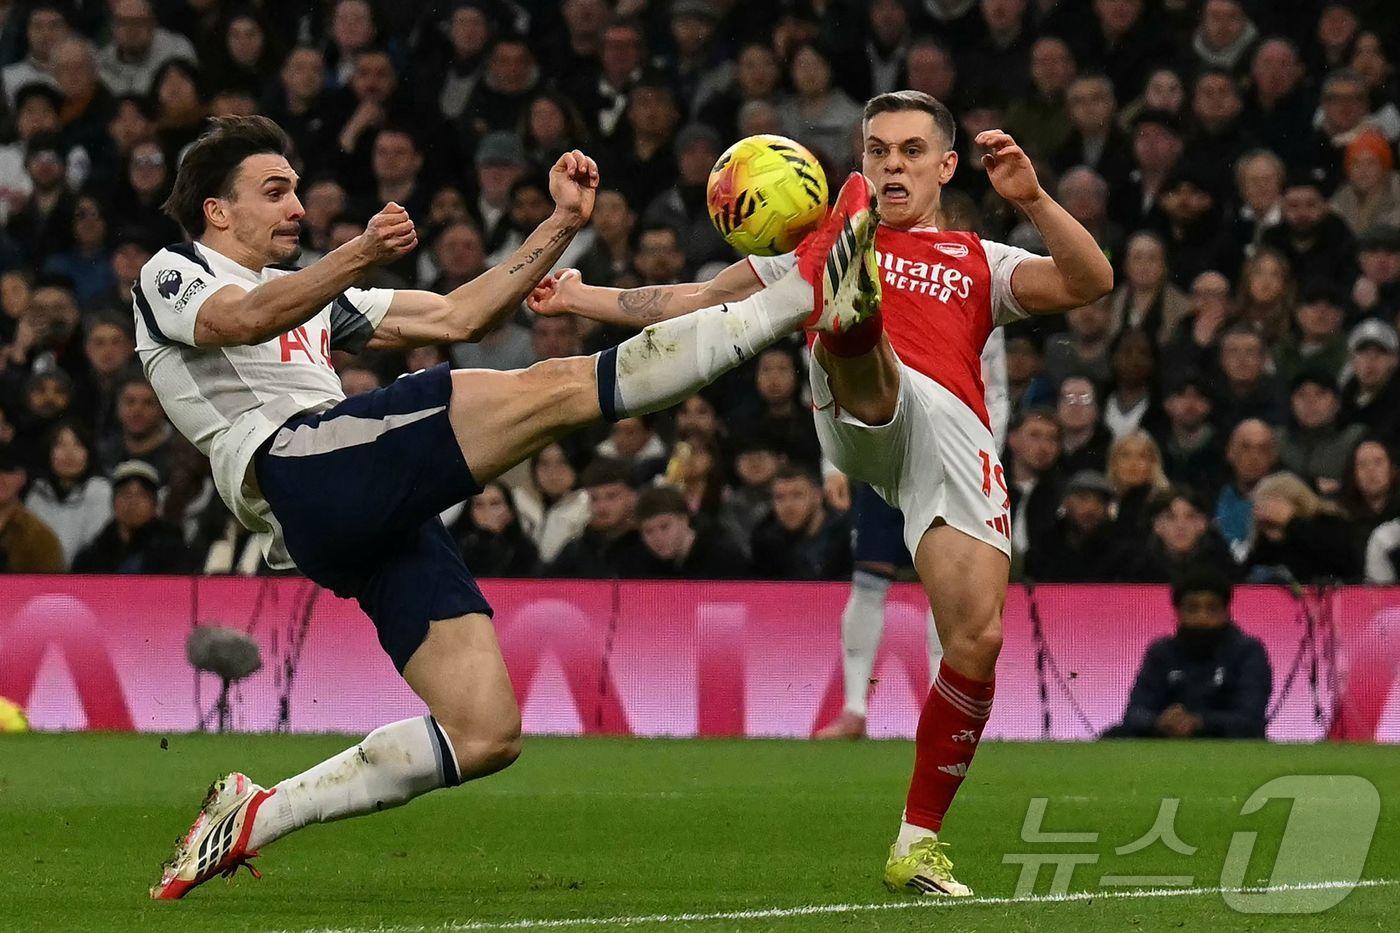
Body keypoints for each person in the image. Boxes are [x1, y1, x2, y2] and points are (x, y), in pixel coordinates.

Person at [143, 115, 879, 898]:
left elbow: (464, 316)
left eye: (295, 189)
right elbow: (241, 320)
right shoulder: (173, 270)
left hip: (347, 512)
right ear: (218, 211)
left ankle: (253, 814)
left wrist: (559, 224)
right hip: (298, 465)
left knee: (484, 731)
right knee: (555, 391)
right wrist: (359, 250)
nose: (297, 206)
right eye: (275, 191)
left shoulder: (317, 298)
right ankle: (801, 295)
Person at [532, 89, 1113, 895]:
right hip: (866, 398)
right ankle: (851, 318)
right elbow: (695, 300)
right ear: (860, 162)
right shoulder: (808, 242)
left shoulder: (984, 259)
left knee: (976, 639)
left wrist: (1035, 199)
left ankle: (917, 843)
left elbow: (1092, 280)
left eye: (911, 151)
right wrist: (578, 298)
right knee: (864, 358)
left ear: (946, 165)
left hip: (953, 439)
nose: (893, 164)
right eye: (877, 151)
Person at [1107, 567, 1270, 739]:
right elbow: (1135, 713)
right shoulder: (1161, 652)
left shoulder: (1248, 651)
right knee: (1113, 737)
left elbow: (1250, 718)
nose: (1202, 617)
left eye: (1212, 609)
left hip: (1225, 744)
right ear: (1178, 612)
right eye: (1192, 608)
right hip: (1166, 743)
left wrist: (1199, 722)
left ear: (1227, 612)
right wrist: (1159, 722)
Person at [71, 459, 188, 573]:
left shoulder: (174, 553)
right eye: (125, 494)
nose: (133, 502)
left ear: (155, 505)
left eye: (141, 495)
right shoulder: (91, 556)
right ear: (113, 502)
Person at [0, 442, 64, 572]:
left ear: (23, 477)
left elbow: (49, 590)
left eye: (8, 470)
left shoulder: (40, 539)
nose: (0, 478)